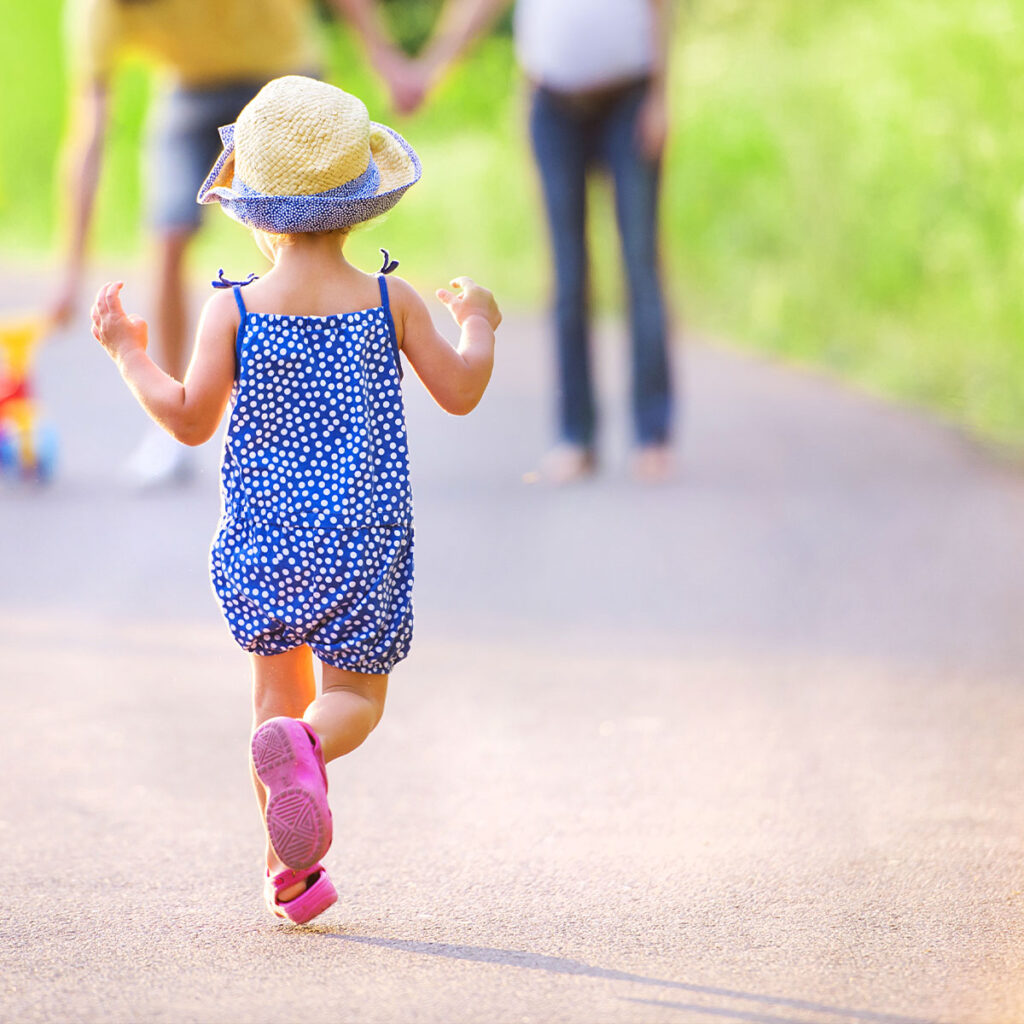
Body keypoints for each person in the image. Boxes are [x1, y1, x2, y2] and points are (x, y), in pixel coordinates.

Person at [90, 75, 501, 922]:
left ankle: (293, 874)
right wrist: (482, 324)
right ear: (360, 204)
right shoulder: (391, 300)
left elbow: (189, 420)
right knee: (350, 699)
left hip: (268, 540)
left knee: (272, 699)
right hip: (361, 538)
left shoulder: (232, 311)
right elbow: (460, 391)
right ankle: (312, 747)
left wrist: (130, 351)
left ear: (251, 208)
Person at [56, 0, 414, 487]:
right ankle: (173, 421)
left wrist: (385, 57)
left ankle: (309, 412)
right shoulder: (101, 8)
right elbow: (90, 129)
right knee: (167, 235)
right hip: (190, 86)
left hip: (285, 81)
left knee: (298, 249)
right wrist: (70, 272)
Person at [397, 0, 674, 483]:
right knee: (568, 275)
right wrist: (432, 69)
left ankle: (653, 435)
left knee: (640, 265)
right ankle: (576, 438)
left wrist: (660, 96)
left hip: (629, 98)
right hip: (553, 105)